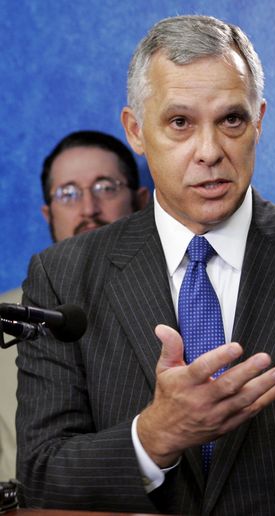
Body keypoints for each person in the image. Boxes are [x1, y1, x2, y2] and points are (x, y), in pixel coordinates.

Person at [15, 15, 275, 515]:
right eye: (180, 123)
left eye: (231, 120)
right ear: (135, 129)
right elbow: (41, 478)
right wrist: (153, 437)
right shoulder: (60, 276)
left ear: (258, 120)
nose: (210, 151)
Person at [0, 130, 149, 481]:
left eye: (106, 187)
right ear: (47, 213)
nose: (88, 209)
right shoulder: (6, 316)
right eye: (68, 194)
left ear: (141, 201)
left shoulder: (183, 300)